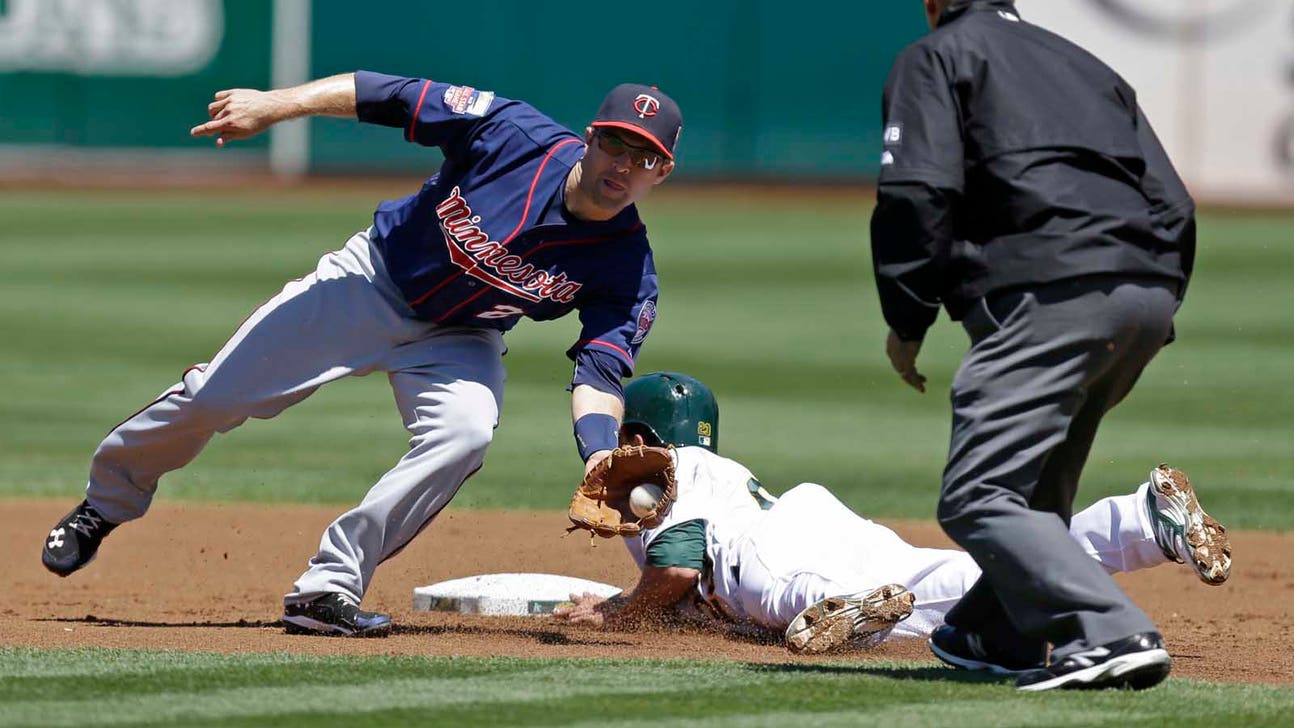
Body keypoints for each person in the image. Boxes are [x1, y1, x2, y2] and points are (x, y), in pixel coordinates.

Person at [39, 72, 683, 637]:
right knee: (217, 397)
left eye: (644, 157)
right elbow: (389, 95)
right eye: (615, 143)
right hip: (371, 282)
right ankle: (108, 501)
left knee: (464, 434)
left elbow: (600, 369)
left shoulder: (626, 265)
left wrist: (600, 454)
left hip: (460, 336)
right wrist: (275, 105)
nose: (622, 165)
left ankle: (328, 588)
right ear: (592, 137)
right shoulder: (513, 134)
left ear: (662, 172)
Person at [869, 0, 1211, 690]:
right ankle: (997, 632)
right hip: (1142, 291)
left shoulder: (938, 55)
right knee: (1034, 496)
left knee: (980, 496)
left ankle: (1113, 631)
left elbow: (916, 191)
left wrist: (908, 318)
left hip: (1048, 289)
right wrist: (1151, 302)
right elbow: (1174, 204)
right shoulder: (1088, 64)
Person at [553, 373, 1230, 656]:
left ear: (642, 435)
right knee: (982, 580)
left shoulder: (672, 470)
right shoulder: (714, 471)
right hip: (817, 523)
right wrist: (618, 601)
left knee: (790, 600)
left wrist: (617, 615)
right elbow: (678, 588)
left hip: (770, 556)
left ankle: (839, 605)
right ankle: (1140, 519)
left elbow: (676, 569)